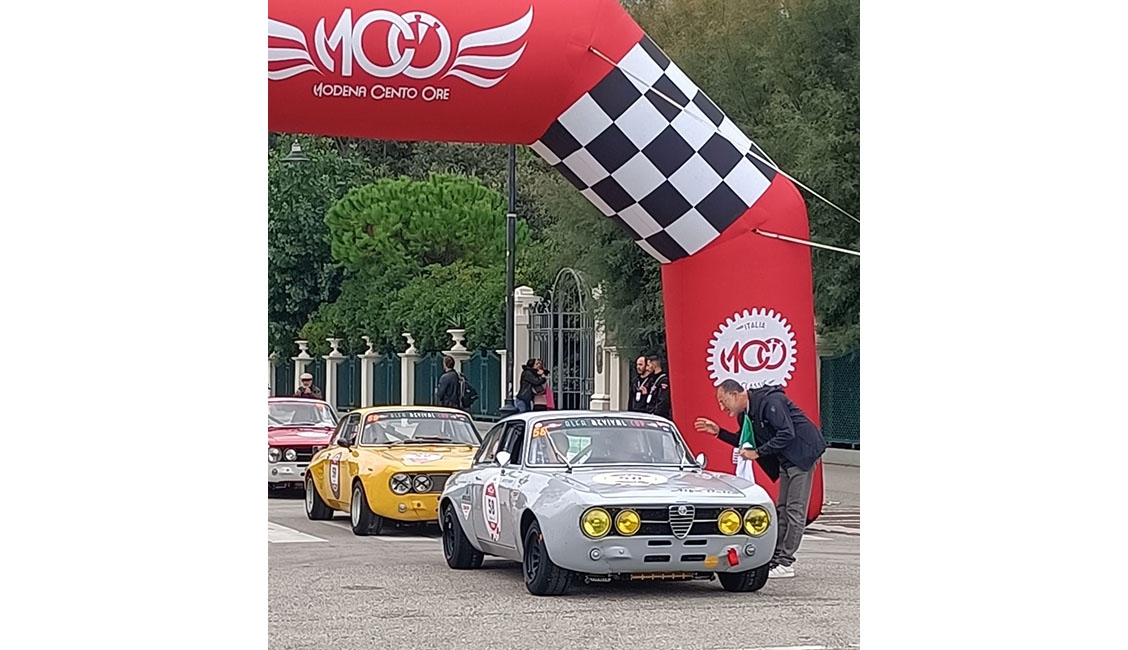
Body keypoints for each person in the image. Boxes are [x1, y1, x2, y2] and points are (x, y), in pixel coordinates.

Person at [694, 379, 826, 579]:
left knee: (795, 509)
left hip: (803, 454)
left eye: (723, 401)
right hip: (785, 459)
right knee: (782, 508)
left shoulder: (771, 402)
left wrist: (758, 453)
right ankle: (776, 557)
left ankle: (786, 561)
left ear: (734, 395)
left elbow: (787, 433)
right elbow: (745, 441)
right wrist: (719, 432)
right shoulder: (745, 415)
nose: (722, 407)